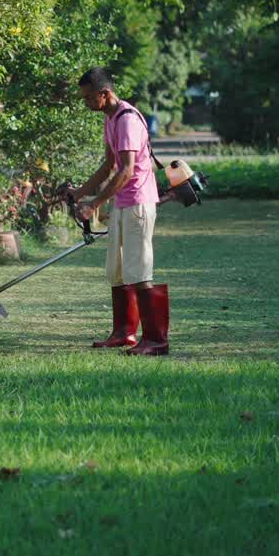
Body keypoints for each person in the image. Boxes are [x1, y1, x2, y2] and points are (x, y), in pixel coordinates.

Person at [70, 67, 172, 356]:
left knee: (139, 271)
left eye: (89, 97)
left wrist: (94, 203)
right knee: (117, 271)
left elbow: (126, 171)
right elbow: (107, 166)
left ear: (105, 93)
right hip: (123, 203)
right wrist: (81, 192)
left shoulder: (127, 120)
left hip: (139, 202)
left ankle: (155, 340)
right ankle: (123, 333)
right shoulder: (109, 118)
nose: (86, 103)